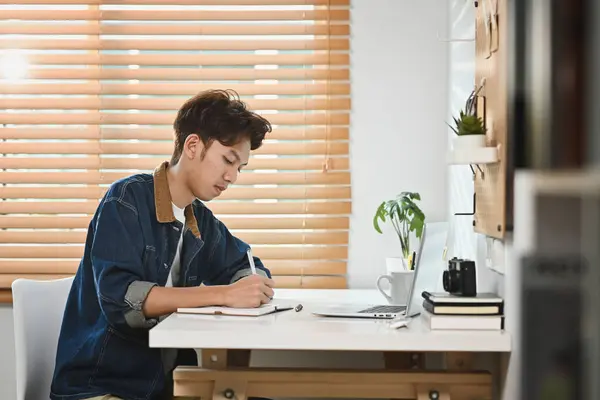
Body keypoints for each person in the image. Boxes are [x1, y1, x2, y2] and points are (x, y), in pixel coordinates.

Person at [50, 89, 276, 400]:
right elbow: (121, 299)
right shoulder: (125, 200)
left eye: (240, 168)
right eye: (229, 160)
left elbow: (245, 264)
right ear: (193, 146)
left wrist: (252, 284)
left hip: (166, 387)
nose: (233, 176)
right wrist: (224, 294)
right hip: (103, 388)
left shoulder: (201, 222)